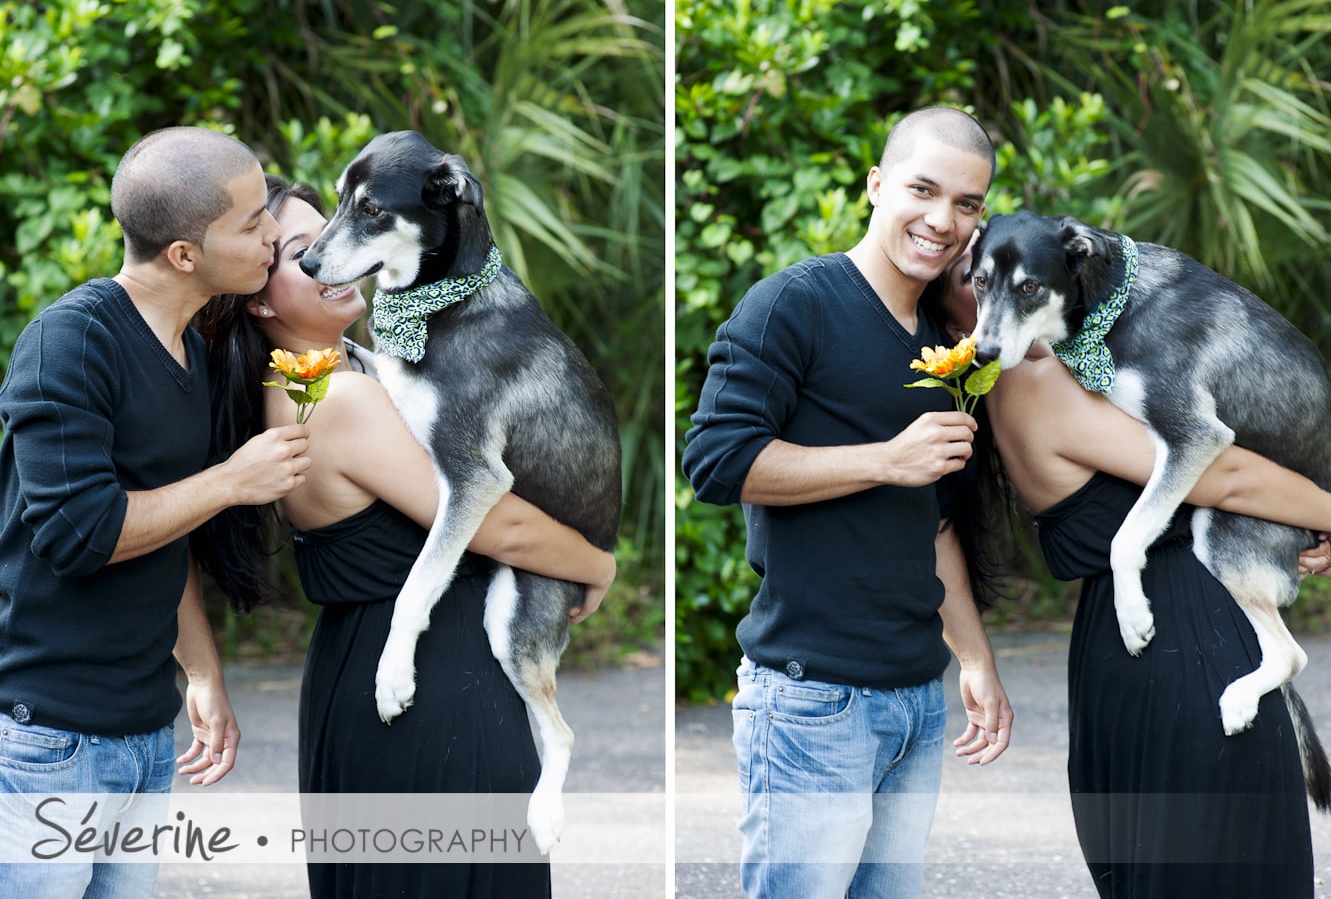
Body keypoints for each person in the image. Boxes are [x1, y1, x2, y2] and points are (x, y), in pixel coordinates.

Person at [194, 175, 618, 899]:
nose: (335, 251)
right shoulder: (344, 398)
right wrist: (594, 563)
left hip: (356, 677)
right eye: (303, 252)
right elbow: (499, 523)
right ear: (260, 297)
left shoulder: (301, 384)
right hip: (434, 688)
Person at [681, 106, 1012, 899]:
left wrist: (973, 659)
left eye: (966, 205)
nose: (941, 220)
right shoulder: (791, 304)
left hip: (915, 701)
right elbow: (715, 462)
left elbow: (930, 519)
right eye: (922, 190)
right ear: (875, 185)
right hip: (811, 699)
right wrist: (885, 460)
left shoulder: (943, 337)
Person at [935, 237, 1331, 896]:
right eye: (974, 279)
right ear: (952, 313)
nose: (998, 287)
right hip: (1186, 647)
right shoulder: (1032, 381)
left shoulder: (1017, 383)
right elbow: (1223, 475)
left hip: (1121, 656)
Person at [0, 128, 314, 897]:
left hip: (144, 731)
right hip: (47, 739)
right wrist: (232, 481)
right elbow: (83, 534)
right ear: (183, 254)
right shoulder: (71, 342)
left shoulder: (192, 354)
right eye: (251, 223)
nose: (274, 233)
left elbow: (160, 530)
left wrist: (202, 675)